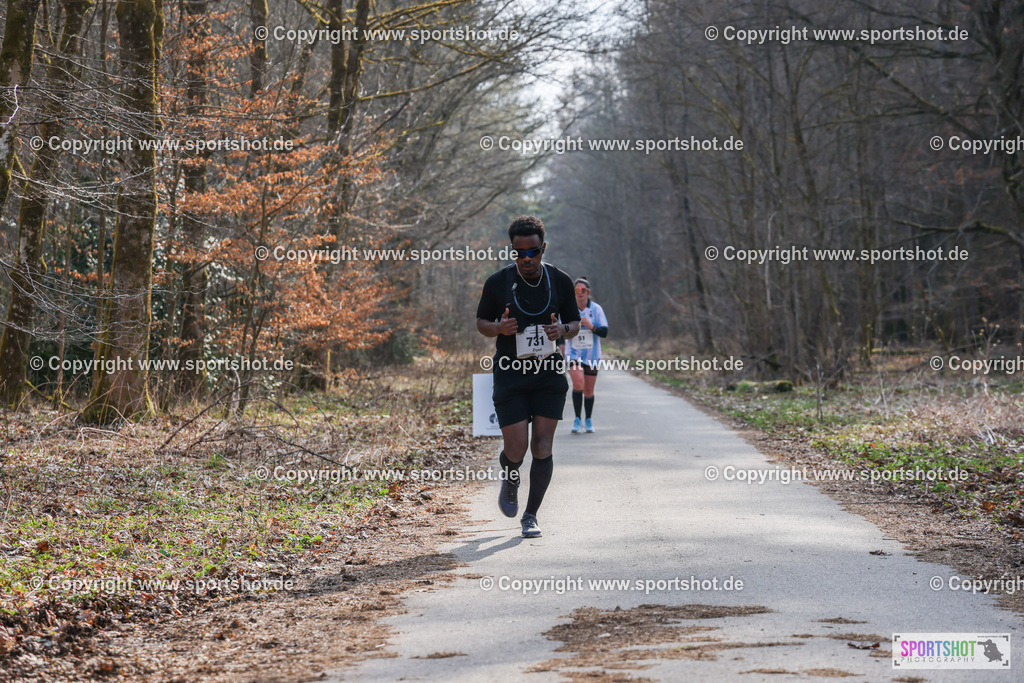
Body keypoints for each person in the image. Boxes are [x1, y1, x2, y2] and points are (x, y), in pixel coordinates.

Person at [476, 216, 580, 538]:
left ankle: (531, 515)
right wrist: (498, 328)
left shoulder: (560, 281)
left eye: (532, 252)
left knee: (543, 446)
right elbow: (482, 322)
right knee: (517, 448)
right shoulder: (497, 283)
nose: (526, 259)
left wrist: (562, 330)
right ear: (512, 251)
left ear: (542, 248)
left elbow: (574, 323)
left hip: (548, 373)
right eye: (519, 253)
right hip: (511, 374)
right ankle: (510, 475)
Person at [565, 277, 608, 433]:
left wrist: (591, 326)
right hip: (574, 353)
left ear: (588, 292)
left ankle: (588, 419)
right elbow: (560, 330)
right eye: (577, 290)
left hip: (592, 354)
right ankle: (577, 419)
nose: (580, 293)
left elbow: (605, 332)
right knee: (578, 384)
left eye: (583, 290)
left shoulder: (596, 309)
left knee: (588, 391)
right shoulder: (569, 308)